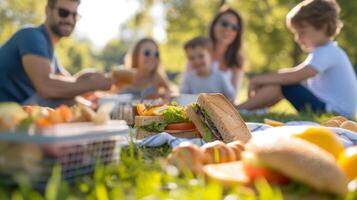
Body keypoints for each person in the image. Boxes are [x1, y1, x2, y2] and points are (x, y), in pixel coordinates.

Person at [238, 0, 357, 119]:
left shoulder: (328, 52)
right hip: (331, 110)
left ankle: (240, 109)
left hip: (335, 114)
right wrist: (267, 80)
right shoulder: (326, 51)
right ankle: (253, 109)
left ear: (323, 27)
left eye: (302, 32)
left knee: (285, 85)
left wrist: (258, 80)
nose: (297, 38)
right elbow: (293, 75)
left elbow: (293, 77)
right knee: (283, 82)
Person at [0, 0, 112, 107]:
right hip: (6, 116)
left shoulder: (51, 54)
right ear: (47, 10)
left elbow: (66, 86)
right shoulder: (31, 36)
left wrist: (83, 80)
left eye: (74, 15)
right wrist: (98, 84)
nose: (69, 20)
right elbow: (47, 87)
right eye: (63, 13)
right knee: (63, 100)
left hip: (18, 116)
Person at [183, 7, 245, 98]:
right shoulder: (198, 50)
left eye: (234, 27)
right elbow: (186, 88)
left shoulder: (238, 59)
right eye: (225, 24)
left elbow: (232, 96)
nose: (228, 29)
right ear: (214, 25)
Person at [180, 37, 235, 102]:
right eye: (192, 58)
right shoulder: (189, 79)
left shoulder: (220, 77)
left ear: (211, 56)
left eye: (201, 56)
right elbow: (182, 97)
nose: (196, 61)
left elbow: (231, 97)